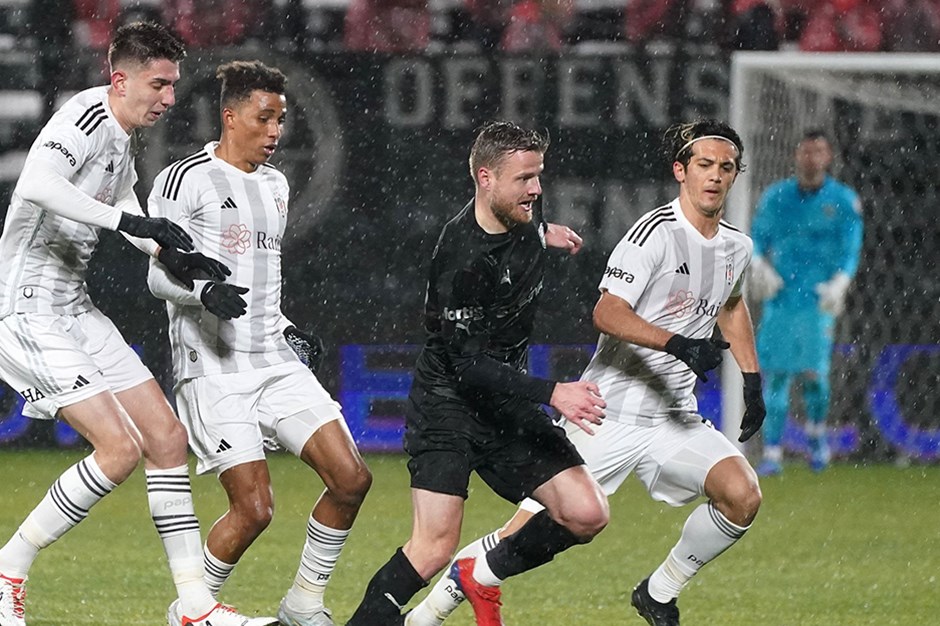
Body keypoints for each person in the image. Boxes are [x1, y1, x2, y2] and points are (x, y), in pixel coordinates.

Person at [405, 118, 767, 626]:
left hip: (673, 416)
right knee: (525, 532)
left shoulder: (737, 246)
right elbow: (607, 312)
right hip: (607, 412)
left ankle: (658, 592)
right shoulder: (653, 234)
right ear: (680, 170)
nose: (715, 176)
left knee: (742, 495)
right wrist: (677, 343)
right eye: (704, 164)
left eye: (726, 168)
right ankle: (426, 615)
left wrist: (751, 379)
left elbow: (731, 305)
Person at [0, 22, 271, 626]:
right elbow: (38, 184)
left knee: (166, 439)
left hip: (73, 306)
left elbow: (128, 209)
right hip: (25, 306)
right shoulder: (85, 118)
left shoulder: (120, 138)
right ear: (119, 80)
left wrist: (183, 263)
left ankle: (194, 608)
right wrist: (130, 225)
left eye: (173, 85)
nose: (170, 98)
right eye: (160, 84)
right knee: (118, 449)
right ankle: (7, 569)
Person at [345, 121, 609, 626]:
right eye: (524, 179)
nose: (536, 189)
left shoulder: (523, 214)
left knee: (586, 513)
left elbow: (524, 227)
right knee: (431, 548)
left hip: (503, 402)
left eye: (538, 175)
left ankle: (480, 572)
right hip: (448, 405)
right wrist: (553, 392)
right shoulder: (462, 257)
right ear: (486, 178)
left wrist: (543, 233)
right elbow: (467, 366)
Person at [146, 60, 373, 626]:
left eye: (281, 120)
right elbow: (157, 276)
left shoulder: (277, 184)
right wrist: (204, 291)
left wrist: (288, 328)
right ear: (229, 116)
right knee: (253, 509)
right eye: (263, 118)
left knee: (351, 480)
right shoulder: (183, 179)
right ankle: (193, 610)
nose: (275, 132)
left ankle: (303, 604)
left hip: (274, 359)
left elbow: (262, 278)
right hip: (212, 368)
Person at [748, 129, 863, 476]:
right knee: (776, 375)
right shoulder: (776, 197)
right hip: (782, 299)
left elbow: (851, 247)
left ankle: (816, 435)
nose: (811, 158)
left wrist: (840, 283)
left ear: (828, 157)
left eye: (818, 151)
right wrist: (759, 265)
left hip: (817, 300)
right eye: (806, 151)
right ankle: (772, 452)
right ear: (797, 155)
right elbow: (756, 239)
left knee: (814, 376)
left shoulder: (843, 201)